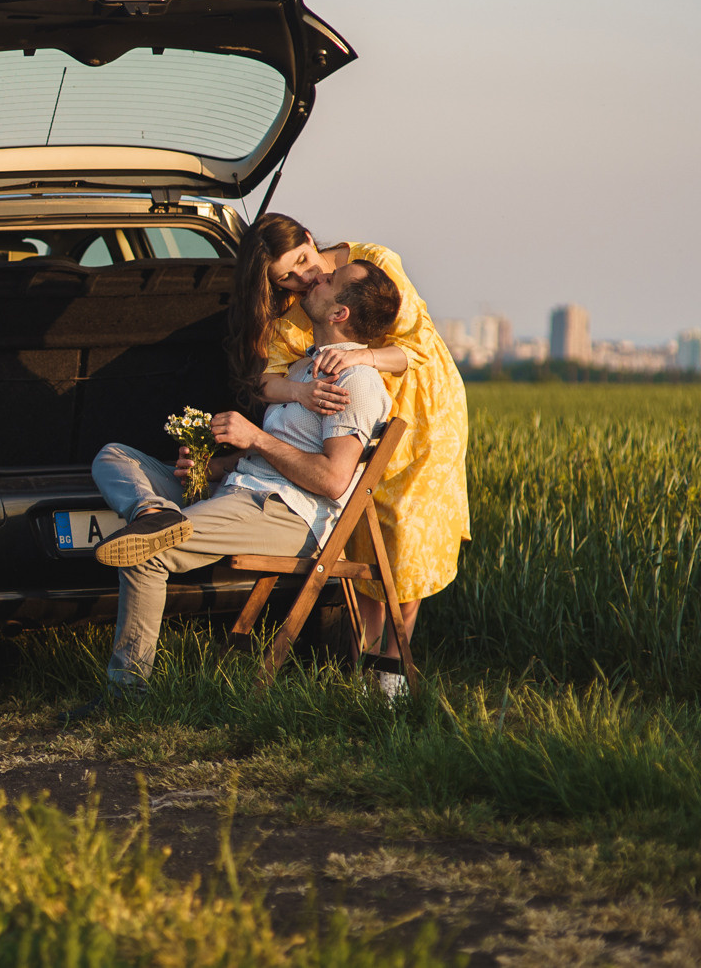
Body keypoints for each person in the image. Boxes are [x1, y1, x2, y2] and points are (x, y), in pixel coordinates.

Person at [76, 259, 400, 700]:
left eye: (330, 281)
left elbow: (333, 480)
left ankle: (126, 694)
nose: (317, 276)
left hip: (287, 513)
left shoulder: (356, 381)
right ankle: (154, 513)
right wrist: (215, 468)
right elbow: (272, 454)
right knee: (115, 456)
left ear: (340, 313)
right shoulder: (305, 369)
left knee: (146, 556)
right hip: (242, 490)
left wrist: (256, 439)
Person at [226, 214, 468, 675]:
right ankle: (362, 677)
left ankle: (390, 684)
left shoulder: (371, 262)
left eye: (302, 260)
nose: (305, 276)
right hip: (348, 421)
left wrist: (363, 356)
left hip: (421, 414)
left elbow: (419, 346)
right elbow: (265, 381)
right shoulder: (301, 306)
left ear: (309, 239)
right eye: (288, 277)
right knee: (359, 542)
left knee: (404, 547)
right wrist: (298, 391)